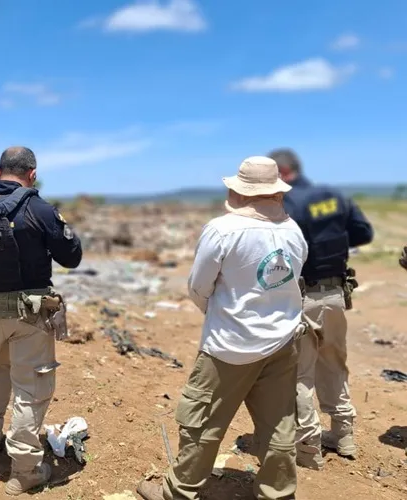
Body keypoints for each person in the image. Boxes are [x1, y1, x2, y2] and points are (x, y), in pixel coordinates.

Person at [137, 157, 307, 500]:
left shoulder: (223, 229)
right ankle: (278, 493)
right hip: (283, 343)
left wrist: (219, 313)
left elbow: (199, 287)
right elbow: (290, 282)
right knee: (279, 423)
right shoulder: (293, 230)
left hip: (229, 346)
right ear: (276, 192)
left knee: (202, 423)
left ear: (241, 191)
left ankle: (179, 491)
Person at [0, 146, 82, 496]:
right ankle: (25, 470)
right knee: (31, 389)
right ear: (32, 174)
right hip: (29, 315)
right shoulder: (37, 208)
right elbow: (71, 256)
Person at [269, 148, 373, 469]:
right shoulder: (334, 196)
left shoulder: (289, 204)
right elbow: (363, 233)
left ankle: (308, 448)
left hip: (303, 297)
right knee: (334, 362)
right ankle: (343, 436)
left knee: (300, 371)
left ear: (283, 173)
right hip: (336, 294)